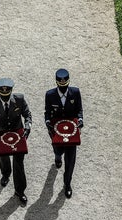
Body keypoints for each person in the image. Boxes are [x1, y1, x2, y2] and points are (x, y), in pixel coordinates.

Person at [0, 78, 32, 204]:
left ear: (11, 92)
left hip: (18, 134)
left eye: (7, 95)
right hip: (1, 135)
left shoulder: (19, 99)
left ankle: (20, 191)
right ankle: (5, 174)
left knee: (19, 163)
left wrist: (27, 127)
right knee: (3, 158)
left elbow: (27, 115)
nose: (5, 98)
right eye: (2, 95)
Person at [44, 69, 84, 198]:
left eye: (65, 84)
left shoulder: (75, 92)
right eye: (60, 84)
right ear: (56, 83)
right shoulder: (50, 95)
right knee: (58, 150)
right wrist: (48, 122)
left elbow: (79, 110)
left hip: (71, 133)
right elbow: (47, 112)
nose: (63, 86)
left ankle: (67, 184)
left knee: (70, 160)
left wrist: (81, 120)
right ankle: (57, 156)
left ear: (68, 82)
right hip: (56, 131)